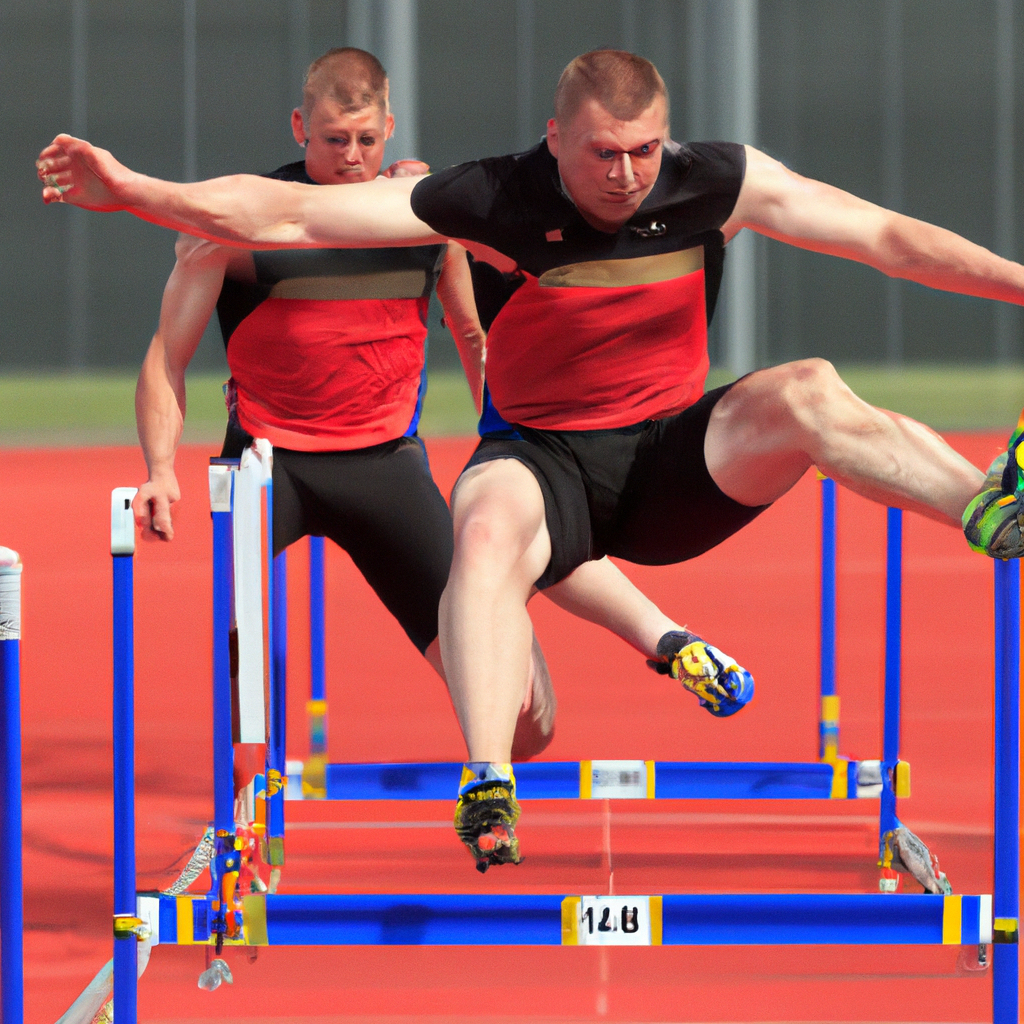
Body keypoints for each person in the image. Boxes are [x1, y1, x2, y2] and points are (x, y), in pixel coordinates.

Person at [38, 47, 1012, 869]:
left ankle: (987, 509)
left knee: (806, 389)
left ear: (664, 141)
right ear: (556, 140)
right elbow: (287, 214)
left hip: (675, 460)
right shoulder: (493, 195)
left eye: (640, 152)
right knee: (486, 517)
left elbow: (888, 238)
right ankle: (489, 776)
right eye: (601, 154)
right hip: (545, 464)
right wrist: (134, 192)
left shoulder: (717, 179)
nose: (624, 174)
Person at [113, 47, 751, 827]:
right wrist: (158, 469)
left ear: (389, 130)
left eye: (365, 141)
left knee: (526, 716)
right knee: (248, 664)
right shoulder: (242, 227)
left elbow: (477, 336)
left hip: (383, 465)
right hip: (266, 465)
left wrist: (525, 450)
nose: (350, 159)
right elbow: (164, 355)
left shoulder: (425, 218)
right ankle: (238, 820)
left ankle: (662, 644)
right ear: (298, 129)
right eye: (330, 140)